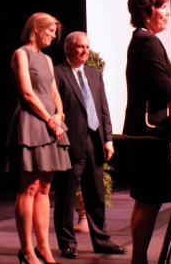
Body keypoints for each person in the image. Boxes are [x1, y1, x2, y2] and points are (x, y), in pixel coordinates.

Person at [122, 0, 171, 264]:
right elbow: (163, 91)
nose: (167, 12)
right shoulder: (147, 41)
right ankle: (139, 259)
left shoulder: (141, 40)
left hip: (142, 132)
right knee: (150, 200)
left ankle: (138, 259)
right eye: (162, 6)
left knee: (144, 200)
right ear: (147, 10)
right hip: (149, 132)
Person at [53, 31, 128, 259]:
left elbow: (103, 109)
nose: (85, 50)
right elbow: (56, 110)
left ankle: (102, 241)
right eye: (80, 47)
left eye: (87, 46)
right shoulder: (57, 73)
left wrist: (108, 140)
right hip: (70, 143)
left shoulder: (95, 74)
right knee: (66, 196)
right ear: (68, 49)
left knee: (95, 194)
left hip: (95, 142)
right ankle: (67, 243)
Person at [6, 12, 72, 264]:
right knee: (30, 187)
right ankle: (26, 249)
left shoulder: (46, 59)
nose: (54, 36)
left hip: (52, 122)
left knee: (45, 188)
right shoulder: (20, 54)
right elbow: (27, 93)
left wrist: (60, 114)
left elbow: (54, 92)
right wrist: (50, 120)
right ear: (36, 28)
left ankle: (43, 247)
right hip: (32, 121)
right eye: (51, 31)